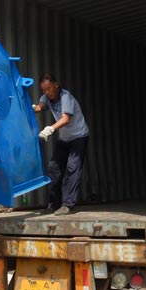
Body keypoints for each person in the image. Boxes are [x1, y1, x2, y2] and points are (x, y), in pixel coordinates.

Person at [33, 74, 89, 215]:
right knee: (54, 168)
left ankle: (67, 205)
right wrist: (34, 107)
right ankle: (53, 204)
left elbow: (65, 119)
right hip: (64, 139)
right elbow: (41, 106)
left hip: (79, 137)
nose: (47, 92)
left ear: (56, 85)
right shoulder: (46, 97)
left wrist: (50, 128)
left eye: (49, 88)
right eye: (44, 90)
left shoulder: (66, 97)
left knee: (72, 168)